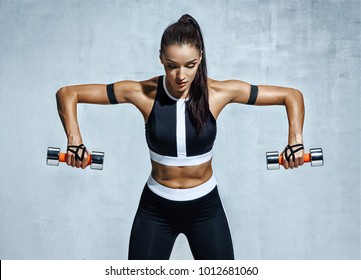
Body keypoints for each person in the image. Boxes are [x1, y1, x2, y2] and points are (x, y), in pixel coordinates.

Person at [56, 14, 305, 260]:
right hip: (156, 209)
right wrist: (74, 140)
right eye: (172, 65)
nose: (181, 76)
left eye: (190, 65)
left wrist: (295, 140)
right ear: (161, 59)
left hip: (205, 209)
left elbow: (291, 96)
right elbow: (68, 94)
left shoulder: (218, 93)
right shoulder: (143, 93)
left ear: (200, 59)